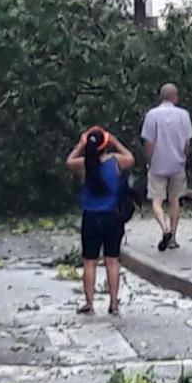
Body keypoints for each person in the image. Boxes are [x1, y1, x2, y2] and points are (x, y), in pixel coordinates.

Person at [66, 127, 135, 315]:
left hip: (91, 216)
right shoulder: (116, 162)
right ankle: (113, 303)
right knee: (112, 261)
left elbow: (69, 161)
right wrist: (115, 141)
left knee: (90, 262)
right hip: (112, 217)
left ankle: (89, 302)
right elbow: (131, 157)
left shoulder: (84, 164)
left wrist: (81, 145)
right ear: (106, 145)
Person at [140, 83, 192, 252]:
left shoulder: (152, 115)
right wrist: (184, 157)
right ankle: (173, 238)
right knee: (175, 199)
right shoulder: (183, 115)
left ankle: (164, 228)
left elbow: (149, 142)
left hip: (157, 163)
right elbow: (187, 142)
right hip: (177, 163)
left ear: (161, 96)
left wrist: (149, 160)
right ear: (175, 97)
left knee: (157, 200)